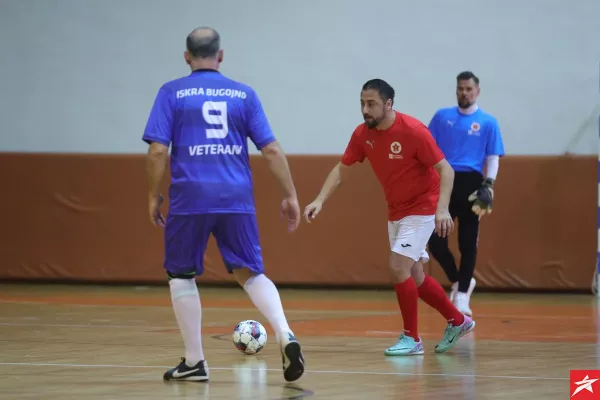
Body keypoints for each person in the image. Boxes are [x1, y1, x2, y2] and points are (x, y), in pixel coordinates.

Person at [142, 26, 304, 382]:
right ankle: (285, 332)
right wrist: (291, 195)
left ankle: (194, 361)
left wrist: (154, 196)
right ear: (221, 55)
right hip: (236, 197)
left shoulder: (172, 92)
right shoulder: (243, 95)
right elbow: (271, 149)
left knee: (181, 275)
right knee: (249, 271)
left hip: (190, 198)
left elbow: (157, 151)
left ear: (187, 56)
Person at [304, 79, 475, 356]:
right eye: (362, 103)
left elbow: (446, 170)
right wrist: (319, 200)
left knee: (397, 267)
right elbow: (341, 168)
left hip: (423, 207)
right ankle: (458, 321)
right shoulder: (362, 135)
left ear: (388, 104)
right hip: (396, 210)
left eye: (371, 103)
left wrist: (442, 209)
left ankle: (412, 338)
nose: (365, 109)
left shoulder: (414, 131)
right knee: (416, 276)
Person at [426, 71, 505, 316]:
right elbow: (428, 148)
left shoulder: (488, 122)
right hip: (445, 181)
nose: (464, 93)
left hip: (472, 184)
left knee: (467, 243)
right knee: (435, 240)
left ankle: (461, 298)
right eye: (461, 88)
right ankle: (461, 280)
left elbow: (493, 157)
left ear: (477, 91)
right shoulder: (442, 117)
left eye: (469, 89)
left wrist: (489, 184)